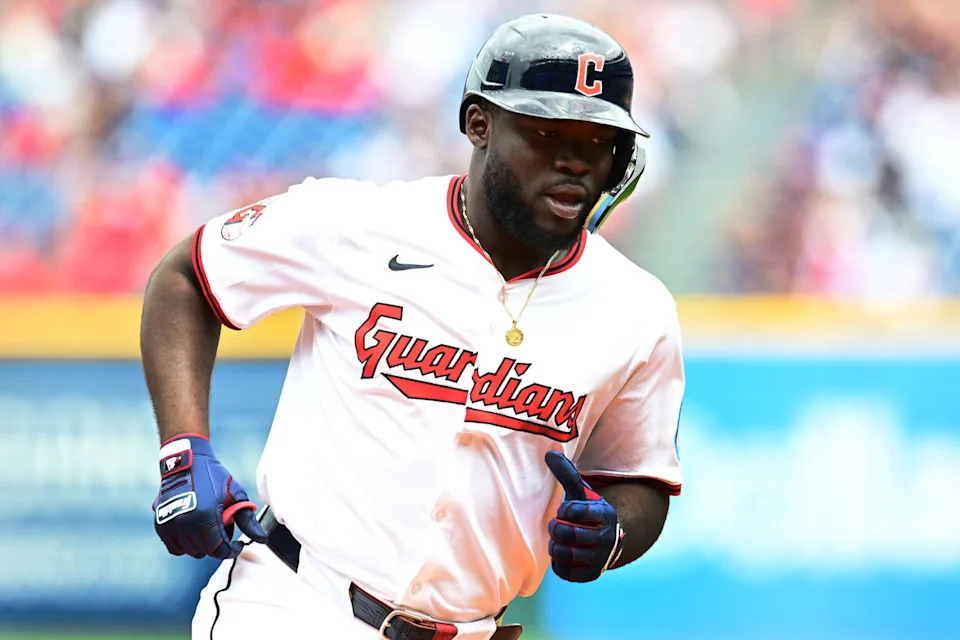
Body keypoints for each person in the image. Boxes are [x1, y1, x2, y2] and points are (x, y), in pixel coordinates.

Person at [141, 13, 684, 640]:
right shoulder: (358, 223)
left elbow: (638, 478)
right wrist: (183, 449)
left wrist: (612, 533)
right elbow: (187, 276)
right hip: (297, 606)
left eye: (598, 140)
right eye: (546, 130)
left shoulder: (635, 308)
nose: (574, 160)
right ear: (479, 123)